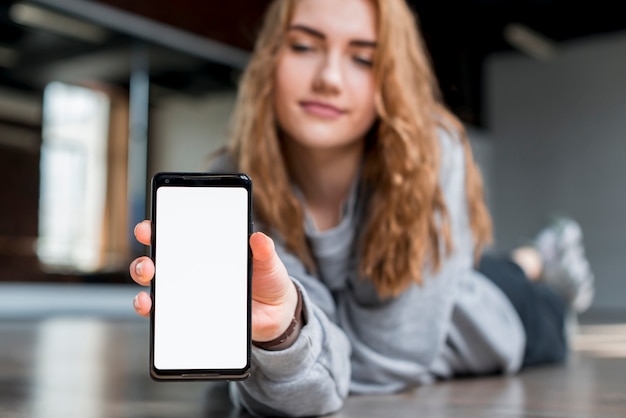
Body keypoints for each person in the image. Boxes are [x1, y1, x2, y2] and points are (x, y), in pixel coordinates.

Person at [129, 0, 595, 416]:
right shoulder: (237, 181)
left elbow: (390, 361)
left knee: (530, 290)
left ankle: (543, 259)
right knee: (478, 267)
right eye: (304, 47)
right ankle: (532, 255)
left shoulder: (433, 149)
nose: (329, 79)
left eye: (363, 58)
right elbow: (306, 382)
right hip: (434, 288)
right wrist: (286, 333)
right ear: (271, 56)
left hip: (492, 316)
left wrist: (293, 350)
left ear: (391, 74)